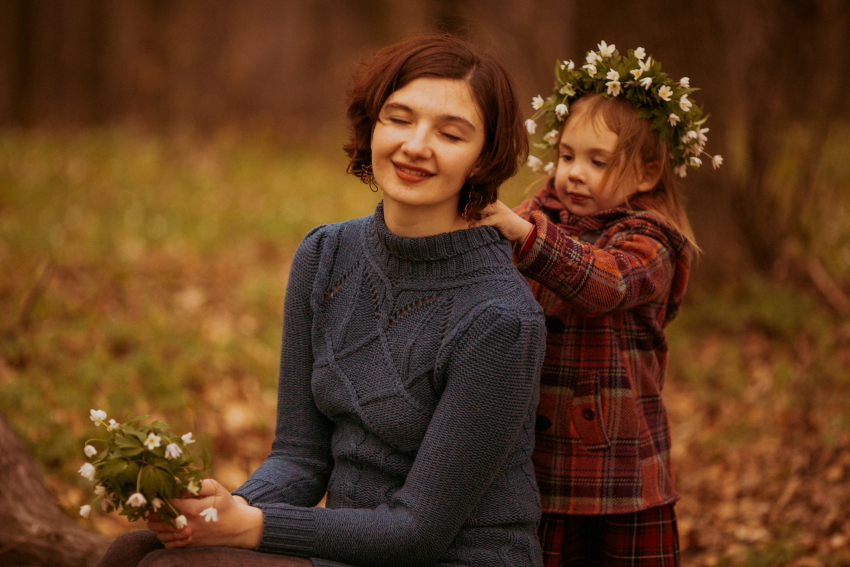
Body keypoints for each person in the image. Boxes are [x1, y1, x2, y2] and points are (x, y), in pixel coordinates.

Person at [95, 35, 547, 567]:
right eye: (398, 118)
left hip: (452, 556)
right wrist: (224, 511)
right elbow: (299, 457)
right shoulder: (327, 255)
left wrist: (253, 528)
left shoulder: (500, 318)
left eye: (450, 134)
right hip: (346, 549)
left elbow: (417, 531)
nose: (416, 145)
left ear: (482, 159)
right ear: (372, 125)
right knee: (133, 550)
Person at [469, 42, 722, 566]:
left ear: (648, 174)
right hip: (540, 462)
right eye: (566, 156)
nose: (573, 172)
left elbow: (604, 285)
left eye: (596, 161)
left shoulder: (652, 242)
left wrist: (525, 235)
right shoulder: (541, 212)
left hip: (621, 473)